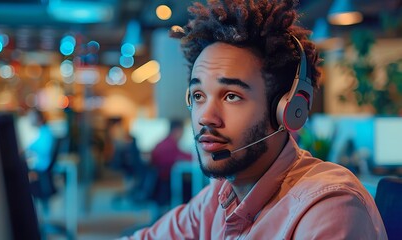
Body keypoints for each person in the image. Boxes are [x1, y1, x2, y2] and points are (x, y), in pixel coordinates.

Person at [119, 0, 387, 239]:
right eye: (199, 95)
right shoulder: (218, 196)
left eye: (232, 96)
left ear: (289, 109)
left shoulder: (329, 208)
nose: (206, 118)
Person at [150, 119, 192, 205]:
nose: (182, 135)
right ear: (177, 130)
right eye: (182, 132)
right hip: (167, 182)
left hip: (160, 182)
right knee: (191, 186)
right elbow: (181, 156)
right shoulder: (170, 145)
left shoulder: (163, 143)